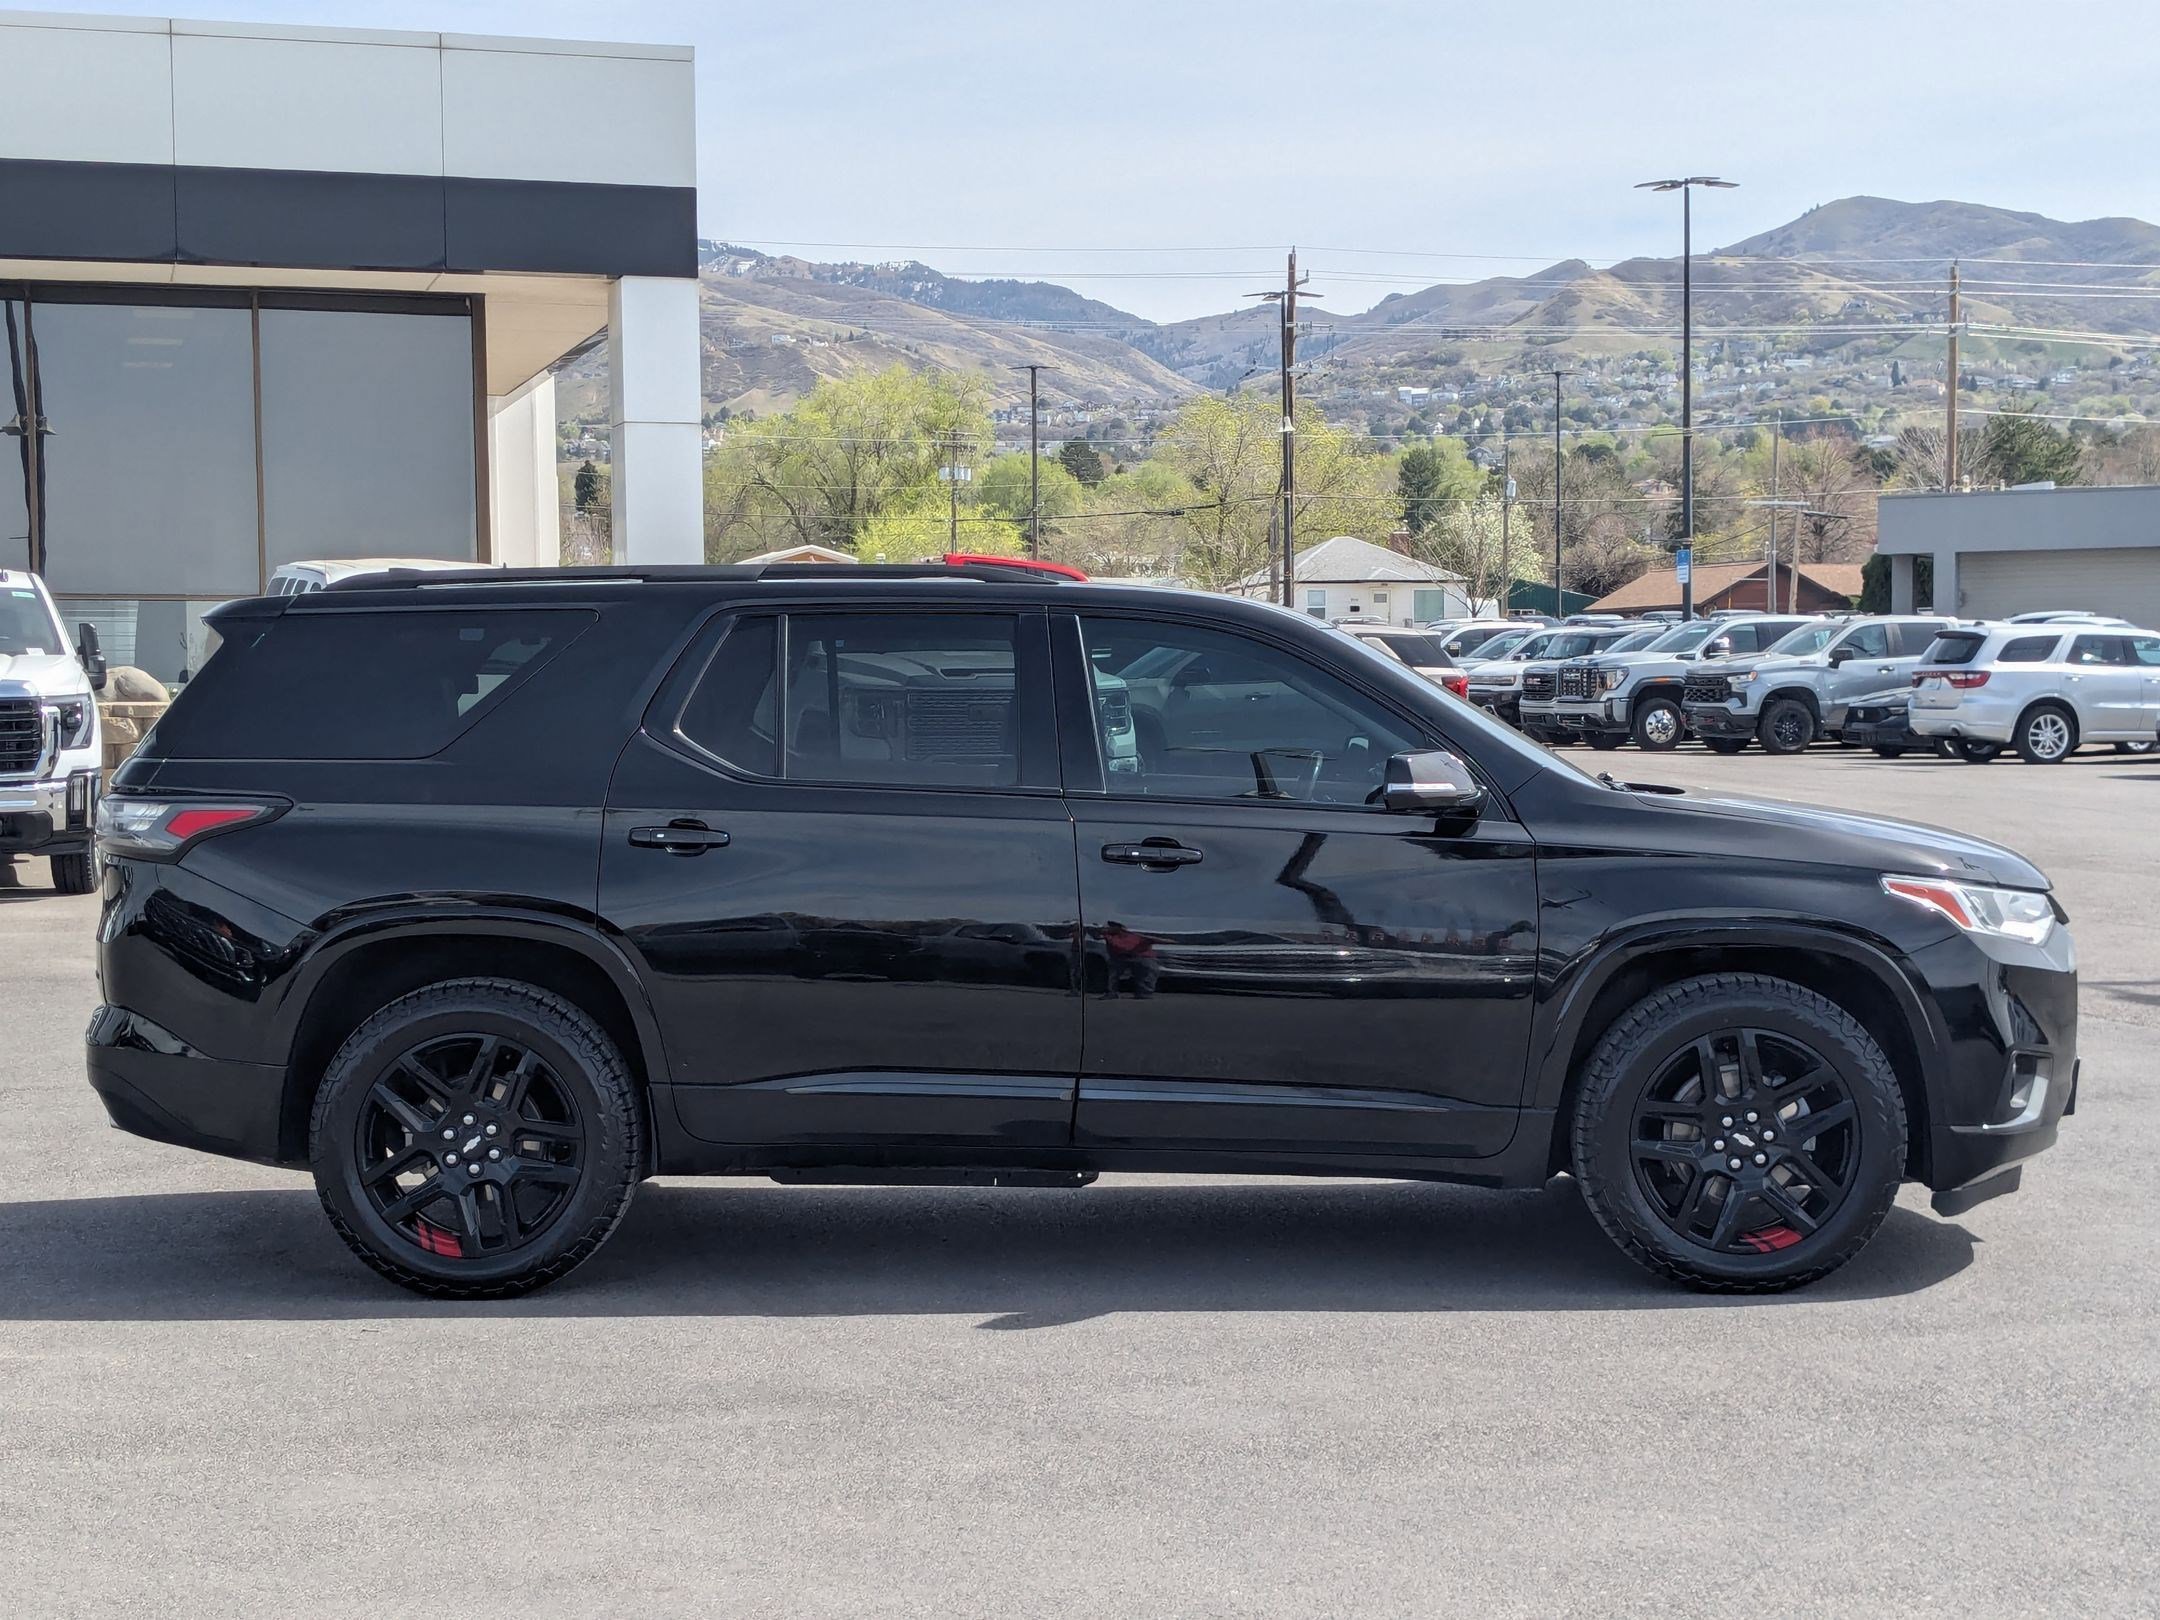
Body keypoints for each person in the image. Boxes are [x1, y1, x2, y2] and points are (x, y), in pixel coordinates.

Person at [1100, 920, 1159, 1000]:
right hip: (1120, 957)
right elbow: (1097, 935)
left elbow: (1154, 941)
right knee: (1112, 971)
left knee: (1148, 967)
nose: (1111, 928)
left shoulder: (1136, 934)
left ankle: (1144, 992)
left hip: (1140, 956)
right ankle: (1111, 992)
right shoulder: (1109, 936)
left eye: (1114, 926)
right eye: (1111, 926)